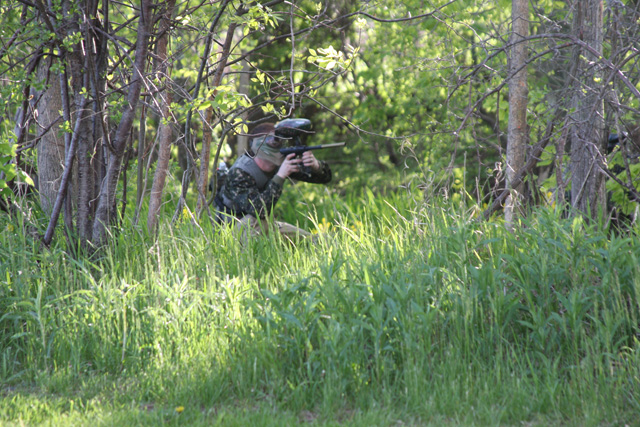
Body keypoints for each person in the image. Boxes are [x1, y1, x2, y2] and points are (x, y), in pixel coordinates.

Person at [214, 121, 333, 241]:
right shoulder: (240, 171)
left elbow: (325, 178)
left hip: (262, 225)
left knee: (315, 241)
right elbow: (259, 210)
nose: (281, 145)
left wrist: (316, 166)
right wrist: (280, 176)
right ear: (259, 143)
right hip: (231, 230)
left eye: (283, 141)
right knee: (252, 220)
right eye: (275, 141)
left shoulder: (278, 163)